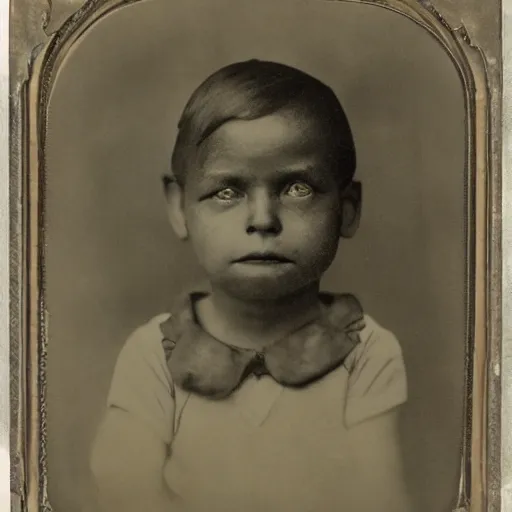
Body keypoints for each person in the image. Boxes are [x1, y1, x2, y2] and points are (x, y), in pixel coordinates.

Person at [90, 59, 410, 512]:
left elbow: (378, 500)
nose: (262, 220)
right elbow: (124, 494)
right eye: (227, 191)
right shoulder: (154, 355)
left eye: (297, 188)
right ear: (180, 207)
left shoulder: (366, 352)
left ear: (348, 207)